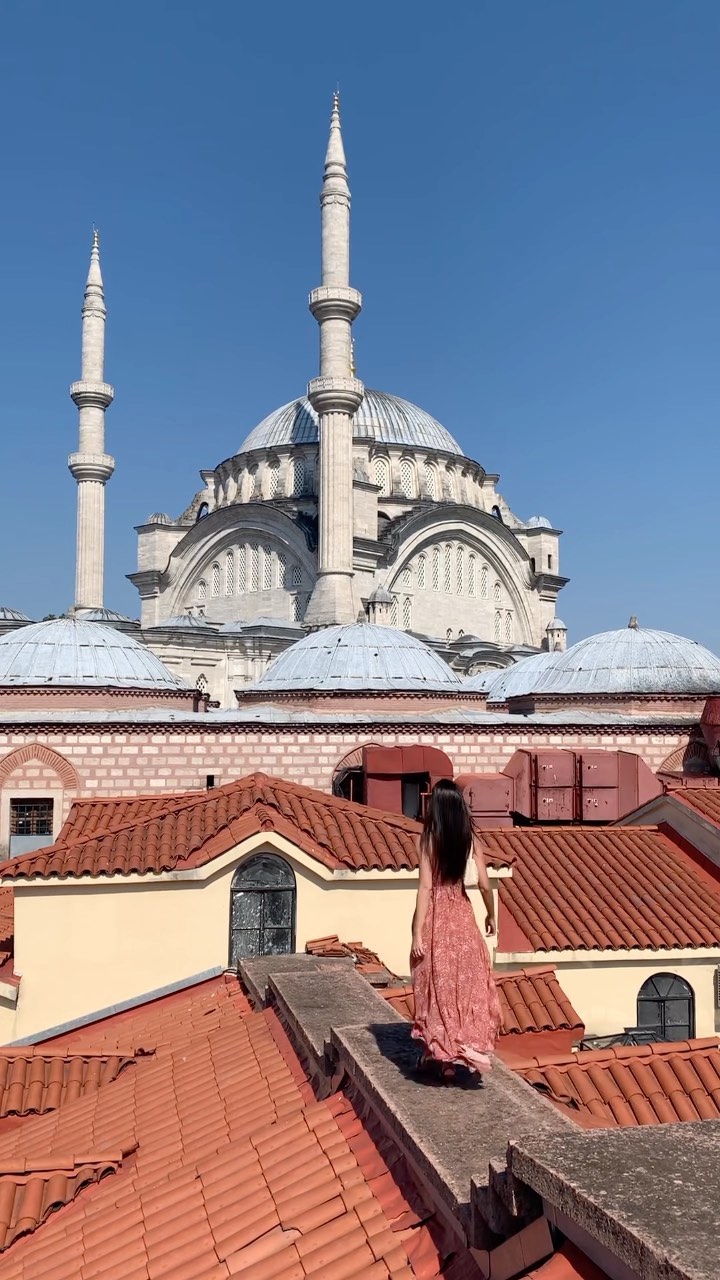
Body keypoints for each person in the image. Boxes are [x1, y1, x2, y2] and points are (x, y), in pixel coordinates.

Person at [410, 778, 501, 1080]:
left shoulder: (428, 840)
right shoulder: (470, 839)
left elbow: (425, 888)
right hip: (462, 915)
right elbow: (485, 884)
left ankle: (442, 1056)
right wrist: (491, 914)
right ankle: (465, 1050)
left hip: (436, 917)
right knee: (466, 985)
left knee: (437, 985)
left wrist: (416, 932)